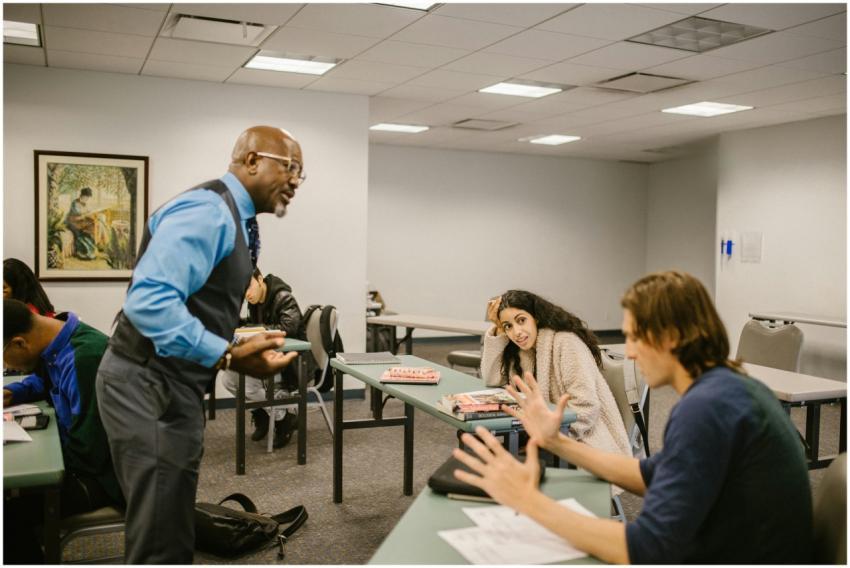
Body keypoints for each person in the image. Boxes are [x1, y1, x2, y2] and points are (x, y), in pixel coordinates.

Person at [454, 271, 813, 564]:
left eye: (635, 337)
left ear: (670, 337)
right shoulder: (725, 389)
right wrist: (556, 441)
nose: (629, 352)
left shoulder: (706, 409)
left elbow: (646, 549)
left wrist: (528, 501)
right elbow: (652, 475)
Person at [95, 126, 306, 563]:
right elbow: (149, 303)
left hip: (174, 384)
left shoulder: (237, 218)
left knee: (172, 520)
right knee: (161, 534)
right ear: (251, 161)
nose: (296, 181)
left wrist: (230, 341)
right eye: (290, 167)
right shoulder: (208, 210)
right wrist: (227, 353)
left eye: (302, 173)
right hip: (147, 383)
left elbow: (195, 301)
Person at [3, 299, 123, 563]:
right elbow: (43, 378)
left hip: (106, 477)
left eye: (5, 360)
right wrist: (14, 391)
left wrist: (31, 457)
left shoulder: (85, 358)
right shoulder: (55, 341)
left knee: (7, 516)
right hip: (85, 458)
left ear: (20, 343)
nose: (8, 367)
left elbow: (90, 452)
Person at [481, 290, 630, 458]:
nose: (516, 332)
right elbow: (491, 378)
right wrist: (499, 331)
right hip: (541, 435)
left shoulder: (567, 343)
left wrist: (549, 437)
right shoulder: (520, 351)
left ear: (535, 318)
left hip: (582, 439)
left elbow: (587, 407)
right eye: (508, 326)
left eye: (521, 320)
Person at [220, 267, 304, 448]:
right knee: (228, 379)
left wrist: (257, 331)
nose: (247, 294)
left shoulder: (284, 298)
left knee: (249, 385)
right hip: (270, 357)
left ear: (260, 279)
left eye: (248, 287)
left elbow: (288, 328)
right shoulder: (256, 302)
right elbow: (255, 325)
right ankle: (262, 414)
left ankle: (283, 417)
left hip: (289, 363)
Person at [65, 187, 98, 260]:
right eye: (86, 197)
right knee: (80, 234)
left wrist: (89, 214)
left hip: (79, 222)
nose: (87, 199)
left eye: (88, 198)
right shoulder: (75, 203)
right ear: (82, 196)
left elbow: (85, 213)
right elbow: (77, 216)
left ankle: (90, 251)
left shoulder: (84, 204)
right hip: (72, 222)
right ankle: (82, 253)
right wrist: (85, 215)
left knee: (88, 231)